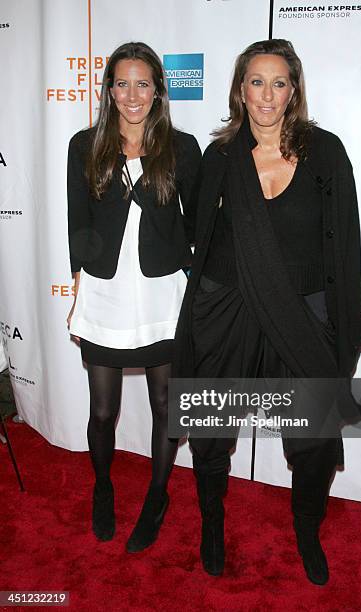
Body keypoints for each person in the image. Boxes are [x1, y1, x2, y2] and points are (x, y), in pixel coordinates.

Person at [174, 39, 361, 584]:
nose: (267, 94)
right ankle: (212, 522)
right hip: (228, 307)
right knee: (212, 430)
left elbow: (345, 245)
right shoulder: (220, 157)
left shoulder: (326, 152)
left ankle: (306, 527)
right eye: (256, 82)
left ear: (294, 91)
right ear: (241, 89)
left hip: (300, 313)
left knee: (311, 442)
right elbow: (200, 237)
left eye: (279, 82)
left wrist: (345, 321)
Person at [67, 42, 201, 550]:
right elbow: (77, 223)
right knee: (102, 411)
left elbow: (197, 224)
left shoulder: (182, 147)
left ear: (158, 90)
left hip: (162, 292)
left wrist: (198, 280)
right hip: (104, 289)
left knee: (167, 402)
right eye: (121, 83)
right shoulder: (85, 145)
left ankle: (158, 494)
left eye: (142, 83)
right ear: (108, 90)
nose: (132, 94)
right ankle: (103, 488)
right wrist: (78, 286)